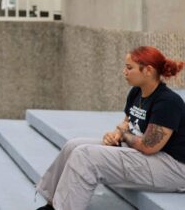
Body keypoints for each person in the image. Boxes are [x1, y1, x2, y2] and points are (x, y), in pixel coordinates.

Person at [36, 47, 185, 210]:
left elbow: (149, 146)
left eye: (129, 68)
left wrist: (123, 134)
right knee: (73, 145)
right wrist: (115, 135)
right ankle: (52, 205)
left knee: (86, 156)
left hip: (173, 166)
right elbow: (126, 124)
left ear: (148, 70)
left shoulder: (168, 102)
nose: (124, 72)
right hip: (145, 153)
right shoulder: (136, 93)